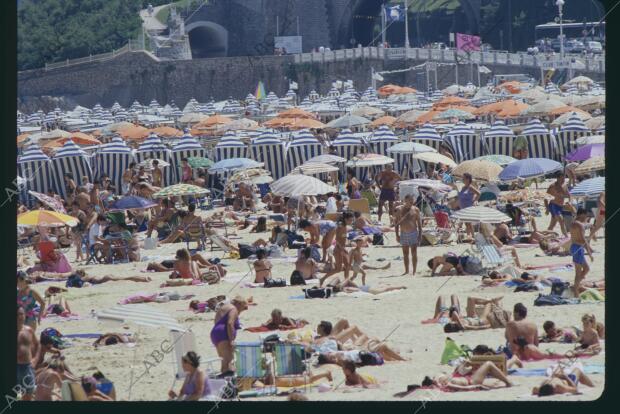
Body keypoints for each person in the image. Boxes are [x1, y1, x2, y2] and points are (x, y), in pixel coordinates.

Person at [210, 296, 248, 376]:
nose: (244, 310)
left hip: (216, 334)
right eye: (244, 307)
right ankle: (227, 383)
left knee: (224, 362)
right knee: (229, 362)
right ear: (239, 303)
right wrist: (231, 340)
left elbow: (217, 322)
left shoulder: (224, 307)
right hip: (224, 335)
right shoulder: (233, 309)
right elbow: (230, 323)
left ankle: (224, 381)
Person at [424, 361, 513, 391]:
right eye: (434, 382)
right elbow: (464, 388)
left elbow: (437, 376)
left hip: (468, 378)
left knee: (493, 376)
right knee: (488, 364)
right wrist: (478, 386)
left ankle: (505, 377)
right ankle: (509, 383)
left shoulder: (440, 380)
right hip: (471, 381)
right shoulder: (446, 385)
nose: (436, 381)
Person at [319, 212, 354, 286]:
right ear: (345, 219)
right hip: (338, 249)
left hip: (342, 248)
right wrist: (341, 248)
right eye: (350, 220)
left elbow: (343, 237)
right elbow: (337, 238)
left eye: (352, 220)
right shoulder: (341, 225)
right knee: (338, 269)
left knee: (347, 265)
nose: (351, 221)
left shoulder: (345, 226)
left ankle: (346, 280)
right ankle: (322, 279)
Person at [393, 194, 422, 276]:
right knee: (405, 253)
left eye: (412, 201)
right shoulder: (399, 209)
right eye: (410, 201)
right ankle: (406, 271)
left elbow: (419, 224)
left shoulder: (416, 210)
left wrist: (420, 235)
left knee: (414, 252)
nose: (411, 202)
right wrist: (397, 235)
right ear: (405, 201)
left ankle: (414, 271)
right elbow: (396, 224)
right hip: (403, 233)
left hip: (413, 233)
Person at [570, 208, 594, 296]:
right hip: (578, 248)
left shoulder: (573, 223)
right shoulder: (579, 225)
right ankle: (576, 292)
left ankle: (576, 285)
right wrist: (590, 253)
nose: (587, 217)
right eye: (586, 215)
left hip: (574, 247)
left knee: (586, 268)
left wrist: (590, 225)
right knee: (578, 272)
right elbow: (583, 240)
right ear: (581, 215)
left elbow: (585, 225)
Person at [17, 306, 38, 401]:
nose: (19, 317)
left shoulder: (29, 330)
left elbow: (38, 345)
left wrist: (35, 359)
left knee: (28, 394)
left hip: (27, 367)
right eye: (17, 314)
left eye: (21, 314)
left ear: (25, 315)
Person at [458, 173, 480, 240]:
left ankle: (473, 236)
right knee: (467, 223)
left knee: (469, 223)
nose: (462, 180)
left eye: (463, 178)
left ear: (468, 179)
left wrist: (475, 200)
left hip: (468, 207)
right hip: (463, 207)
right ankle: (469, 236)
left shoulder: (470, 187)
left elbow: (479, 193)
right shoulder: (463, 187)